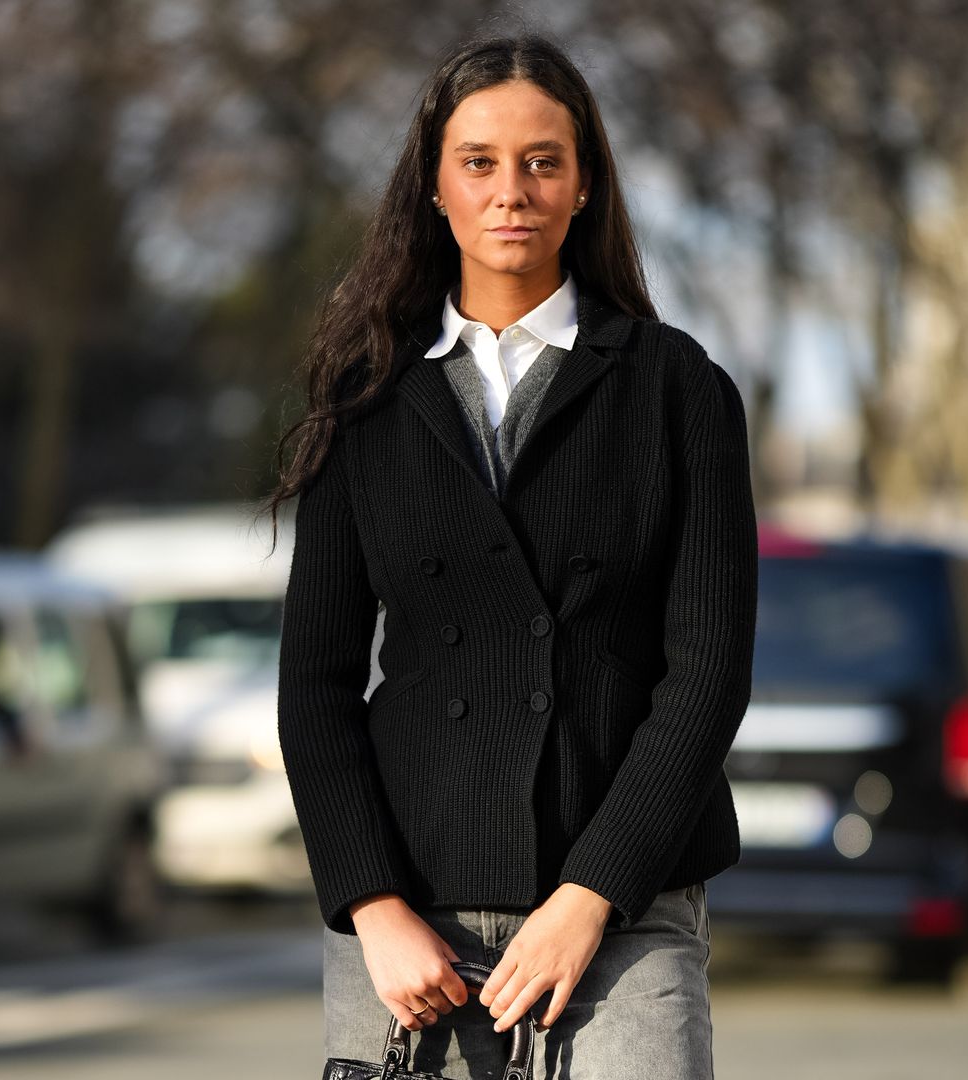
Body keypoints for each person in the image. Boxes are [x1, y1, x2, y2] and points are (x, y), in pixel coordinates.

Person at [265, 30, 758, 1080]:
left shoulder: (678, 391)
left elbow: (707, 675)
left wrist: (591, 898)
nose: (511, 190)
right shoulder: (366, 403)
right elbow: (313, 683)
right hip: (409, 925)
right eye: (478, 162)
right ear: (435, 190)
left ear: (584, 187)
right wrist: (372, 906)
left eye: (544, 161)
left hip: (622, 911)